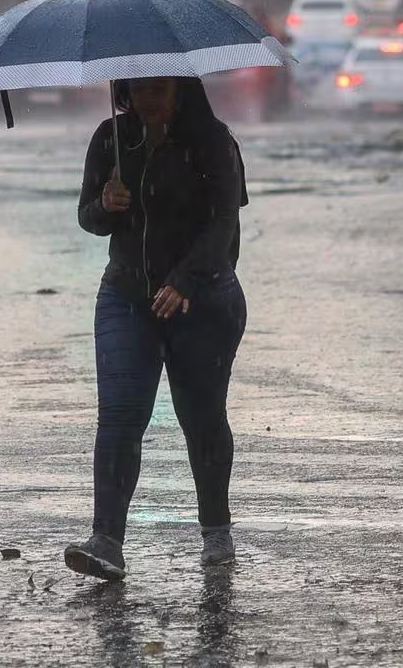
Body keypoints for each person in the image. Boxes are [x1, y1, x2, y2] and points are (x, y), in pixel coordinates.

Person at [63, 76, 249, 582]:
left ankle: (216, 530)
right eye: (137, 89)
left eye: (158, 89)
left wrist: (187, 280)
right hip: (127, 297)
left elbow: (224, 224)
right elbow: (87, 217)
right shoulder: (110, 139)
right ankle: (106, 541)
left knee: (202, 418)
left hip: (205, 301)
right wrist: (106, 204)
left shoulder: (214, 142)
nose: (147, 99)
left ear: (181, 90)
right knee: (120, 415)